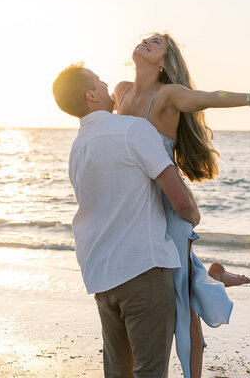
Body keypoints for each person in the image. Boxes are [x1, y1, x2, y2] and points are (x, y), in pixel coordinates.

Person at [113, 32, 250, 378]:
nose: (146, 41)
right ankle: (210, 275)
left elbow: (206, 98)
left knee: (181, 302)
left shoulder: (168, 94)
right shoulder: (120, 91)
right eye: (146, 38)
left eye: (156, 43)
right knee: (155, 282)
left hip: (168, 206)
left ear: (164, 63)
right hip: (135, 205)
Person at [52, 62, 202, 378]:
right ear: (91, 95)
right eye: (100, 82)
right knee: (150, 370)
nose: (107, 85)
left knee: (119, 370)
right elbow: (180, 199)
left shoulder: (78, 147)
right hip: (142, 270)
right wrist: (193, 217)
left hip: (101, 273)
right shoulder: (131, 130)